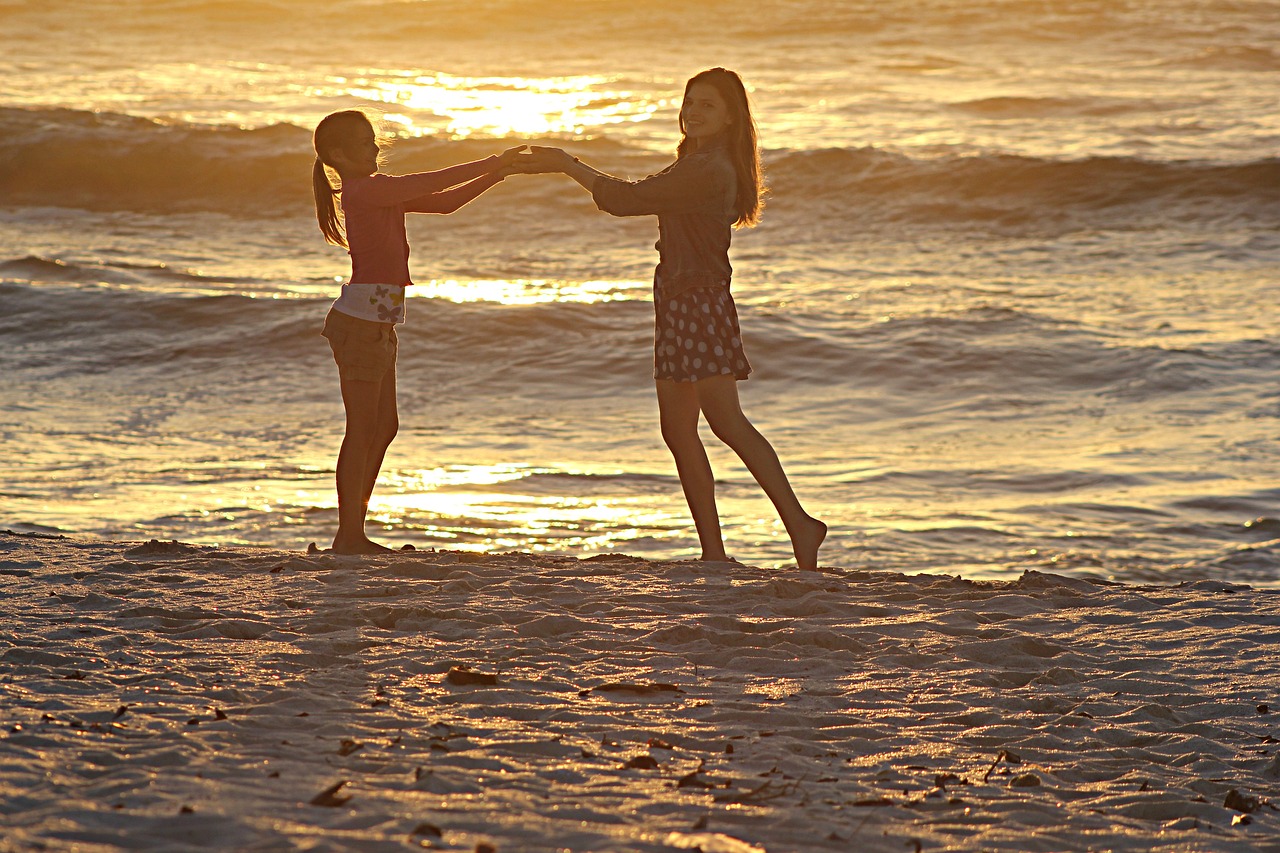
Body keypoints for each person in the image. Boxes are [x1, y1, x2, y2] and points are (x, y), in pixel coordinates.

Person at [516, 68, 826, 570]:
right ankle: (714, 552)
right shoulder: (696, 160)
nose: (693, 112)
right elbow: (637, 196)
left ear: (730, 118)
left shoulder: (709, 169)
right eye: (689, 102)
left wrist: (564, 163)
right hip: (679, 300)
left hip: (699, 301)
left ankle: (800, 524)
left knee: (725, 421)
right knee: (679, 428)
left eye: (707, 105)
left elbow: (625, 200)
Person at [311, 109, 525, 554]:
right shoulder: (367, 190)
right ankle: (348, 535)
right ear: (339, 154)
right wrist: (491, 161)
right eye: (365, 141)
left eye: (373, 139)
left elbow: (444, 201)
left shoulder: (377, 193)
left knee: (384, 426)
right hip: (361, 325)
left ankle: (353, 530)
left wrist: (499, 175)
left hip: (378, 323)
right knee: (362, 428)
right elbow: (435, 180)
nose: (374, 147)